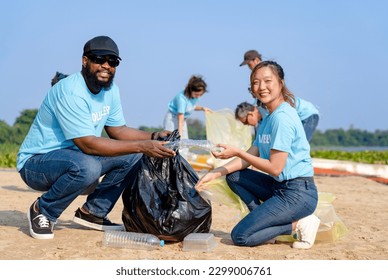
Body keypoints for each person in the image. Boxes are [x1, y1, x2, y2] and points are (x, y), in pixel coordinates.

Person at [17, 35, 175, 240]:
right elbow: (88, 145)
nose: (106, 66)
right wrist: (143, 145)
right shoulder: (71, 91)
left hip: (77, 158)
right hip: (38, 163)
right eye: (99, 59)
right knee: (88, 166)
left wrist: (154, 136)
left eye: (112, 61)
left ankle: (93, 212)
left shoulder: (111, 90)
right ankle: (43, 210)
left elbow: (118, 130)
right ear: (85, 61)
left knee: (134, 155)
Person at [195, 61, 320, 249]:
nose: (261, 87)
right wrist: (215, 172)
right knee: (235, 176)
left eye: (267, 81)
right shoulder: (268, 118)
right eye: (255, 82)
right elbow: (250, 156)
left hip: (298, 193)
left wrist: (237, 151)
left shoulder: (282, 118)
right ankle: (262, 221)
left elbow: (275, 167)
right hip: (279, 187)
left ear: (281, 83)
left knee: (241, 236)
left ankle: (299, 224)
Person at [240, 49, 319, 142]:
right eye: (256, 82)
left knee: (299, 142)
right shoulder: (261, 104)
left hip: (306, 114)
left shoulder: (268, 70)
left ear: (256, 60)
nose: (250, 68)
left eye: (249, 65)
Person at [163, 75, 211, 140]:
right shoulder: (181, 99)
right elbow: (180, 116)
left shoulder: (194, 97)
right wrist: (179, 136)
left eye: (200, 94)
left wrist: (202, 108)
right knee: (173, 141)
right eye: (197, 94)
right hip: (173, 118)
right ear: (191, 90)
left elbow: (191, 107)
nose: (198, 96)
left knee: (185, 142)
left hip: (182, 119)